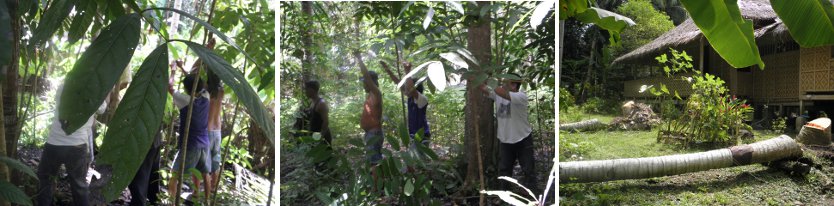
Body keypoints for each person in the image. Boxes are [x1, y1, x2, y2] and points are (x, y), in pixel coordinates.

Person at [37, 84, 108, 206]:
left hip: (54, 143)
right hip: (77, 145)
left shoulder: (64, 86)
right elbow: (102, 109)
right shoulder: (95, 92)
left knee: (46, 180)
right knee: (79, 185)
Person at [480, 73, 536, 192]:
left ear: (514, 85)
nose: (503, 83)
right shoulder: (499, 95)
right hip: (505, 140)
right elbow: (484, 89)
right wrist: (475, 77)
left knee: (528, 169)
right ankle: (504, 196)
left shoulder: (521, 96)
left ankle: (534, 196)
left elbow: (499, 91)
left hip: (523, 139)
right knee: (504, 170)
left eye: (507, 82)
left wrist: (489, 80)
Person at [166, 73, 213, 201]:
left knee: (174, 175)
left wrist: (174, 70)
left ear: (187, 88)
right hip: (205, 143)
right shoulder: (206, 96)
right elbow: (198, 84)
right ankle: (207, 201)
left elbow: (169, 87)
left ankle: (172, 202)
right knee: (205, 174)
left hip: (191, 144)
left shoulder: (185, 100)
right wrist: (183, 69)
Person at [379, 62, 431, 154]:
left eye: (407, 88)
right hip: (413, 134)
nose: (405, 90)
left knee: (420, 161)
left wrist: (408, 71)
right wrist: (387, 69)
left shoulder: (421, 99)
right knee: (415, 160)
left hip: (422, 136)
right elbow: (399, 83)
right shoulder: (411, 96)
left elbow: (410, 88)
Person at [353, 51, 384, 165]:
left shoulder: (376, 93)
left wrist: (359, 59)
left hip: (374, 134)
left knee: (374, 164)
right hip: (370, 134)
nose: (363, 85)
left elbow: (367, 77)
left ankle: (377, 183)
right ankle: (377, 182)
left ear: (370, 82)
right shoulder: (370, 94)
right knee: (373, 162)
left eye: (365, 82)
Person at [304, 80, 332, 146]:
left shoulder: (321, 104)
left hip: (322, 136)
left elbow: (326, 122)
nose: (305, 92)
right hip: (314, 135)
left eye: (306, 89)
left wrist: (321, 137)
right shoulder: (312, 102)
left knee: (324, 155)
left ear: (311, 90)